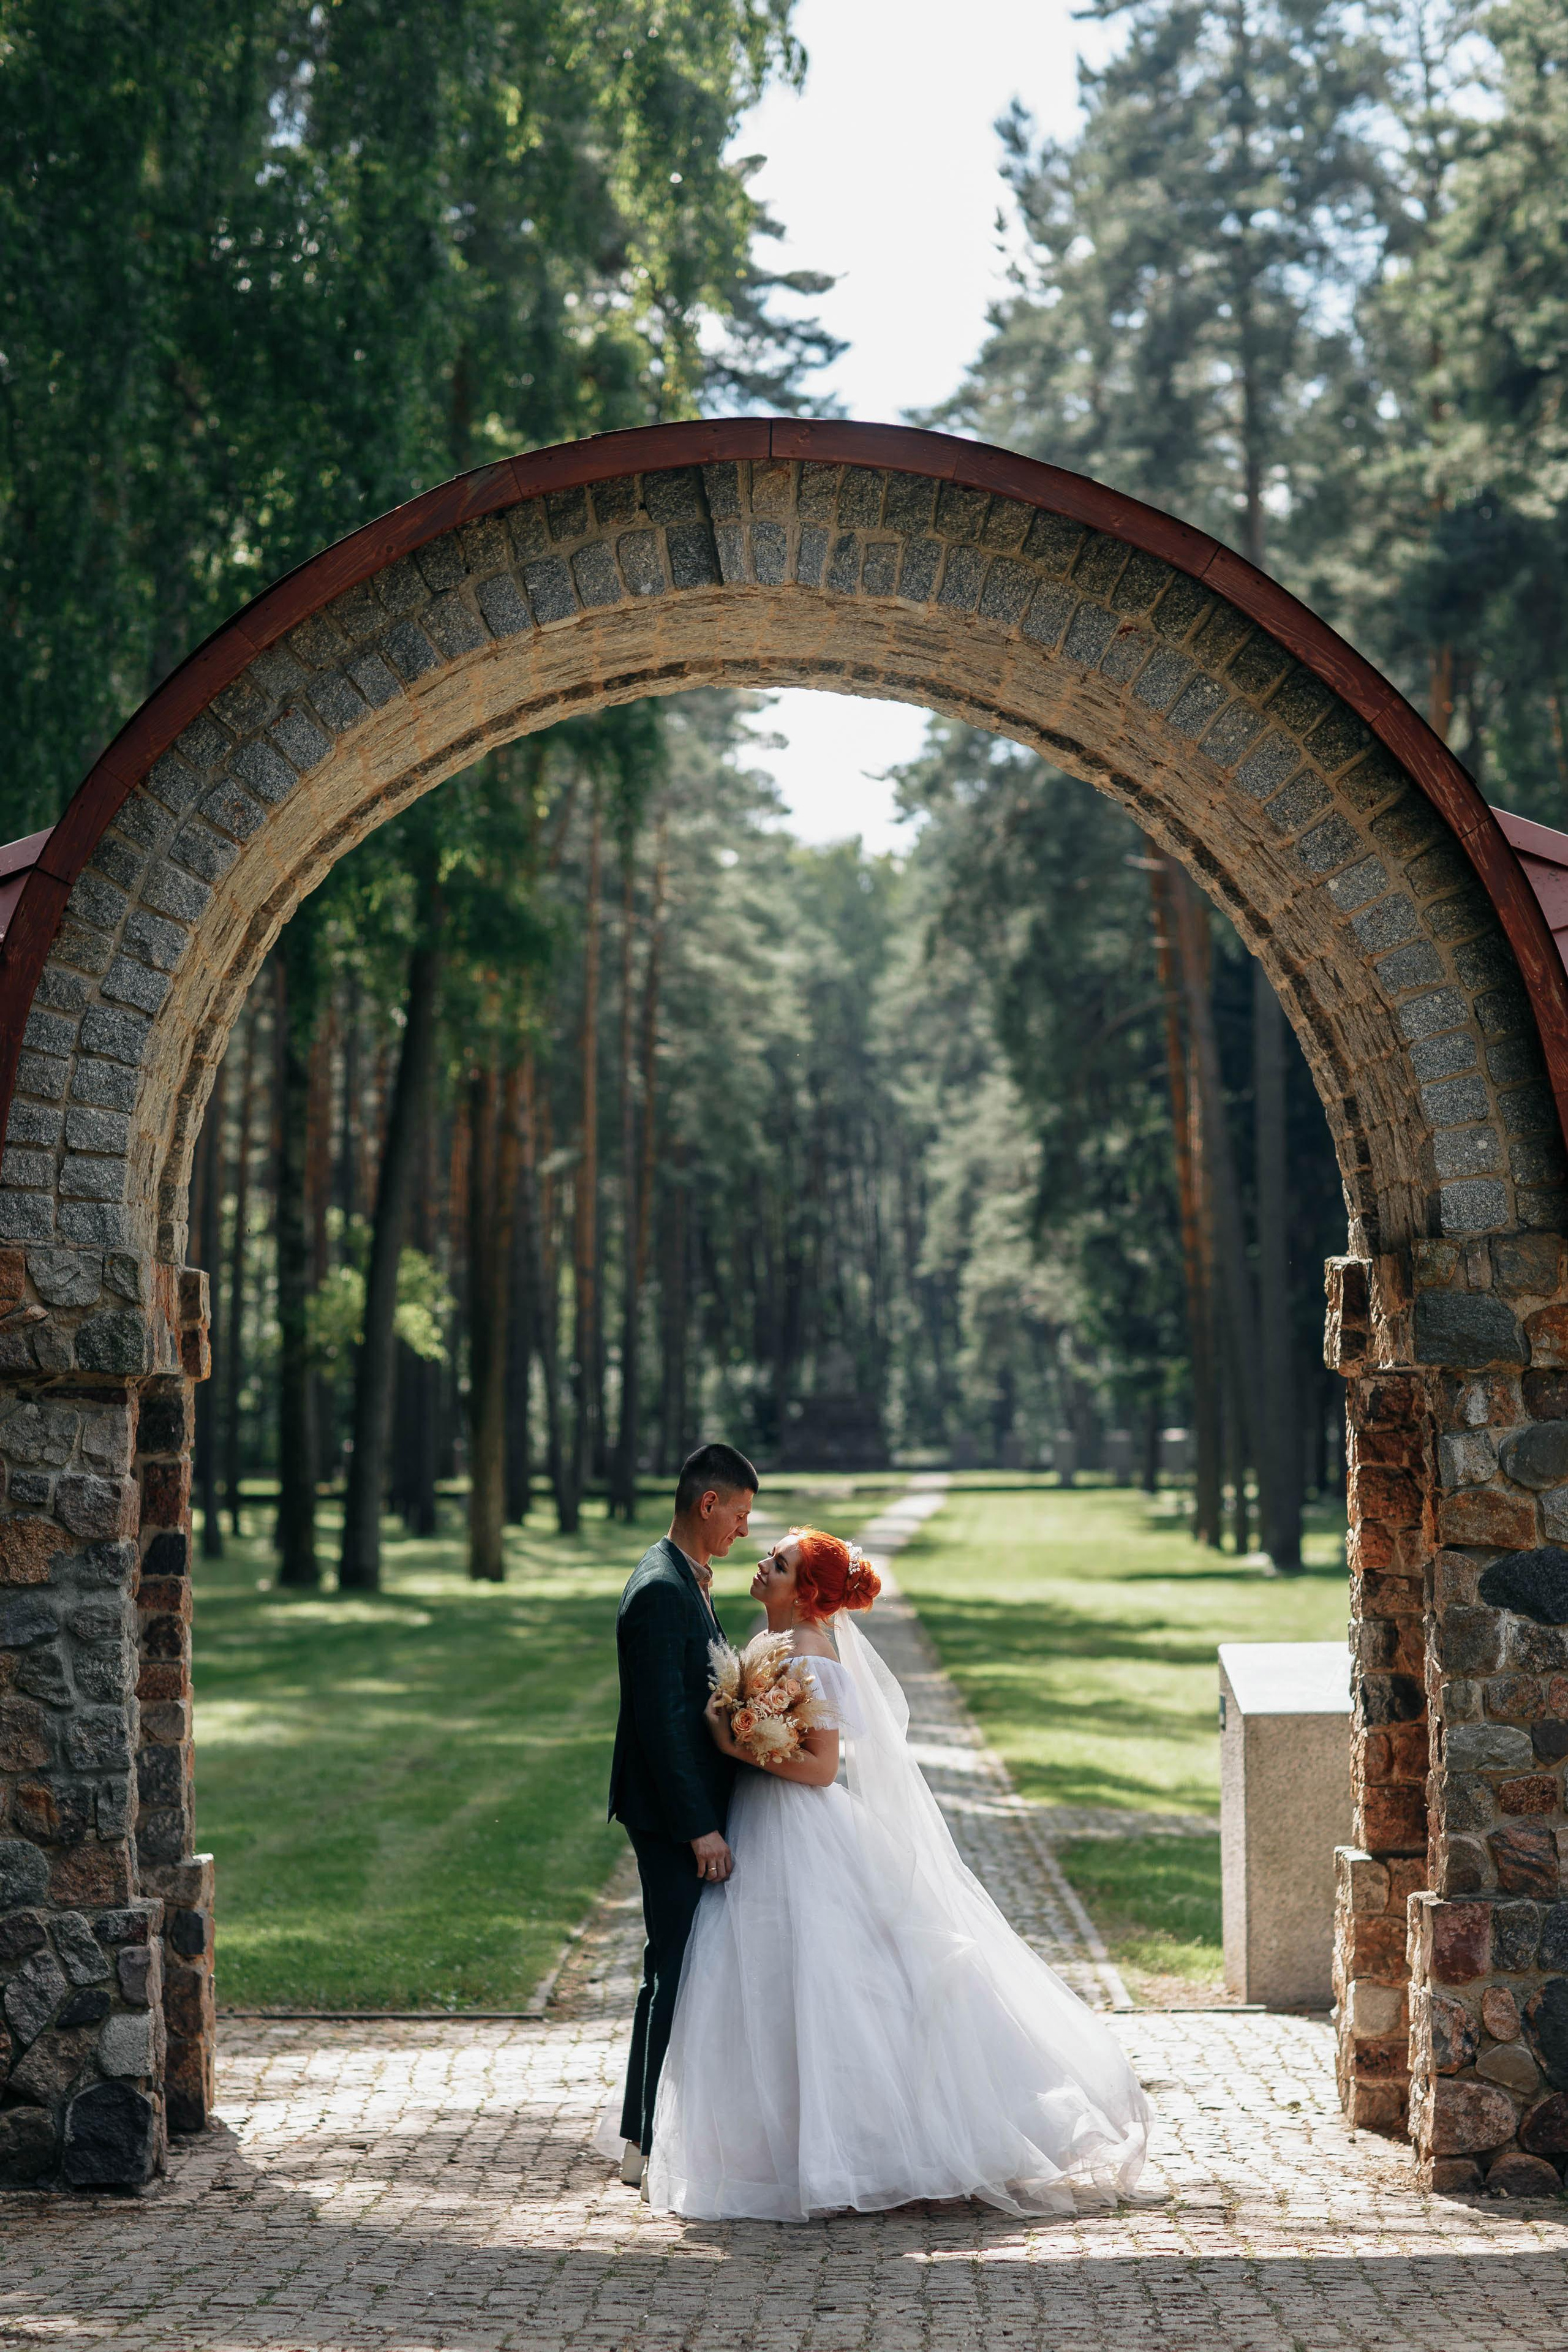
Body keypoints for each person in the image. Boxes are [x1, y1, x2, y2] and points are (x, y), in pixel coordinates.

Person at [641, 1526, 1153, 2222]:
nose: (763, 1564)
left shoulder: (812, 1654)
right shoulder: (777, 1641)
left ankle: (866, 2151)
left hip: (797, 1827)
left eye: (779, 1563)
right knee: (765, 1981)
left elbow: (821, 1769)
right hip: (760, 1820)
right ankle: (777, 2154)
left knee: (828, 1982)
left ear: (806, 1593)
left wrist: (731, 1743)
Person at [601, 1440, 758, 2190]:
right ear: (708, 1503)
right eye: (740, 1513)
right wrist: (699, 1826)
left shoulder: (683, 1577)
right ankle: (643, 2141)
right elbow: (663, 1724)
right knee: (673, 1969)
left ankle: (650, 2133)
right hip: (670, 1818)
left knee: (673, 1966)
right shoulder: (662, 1590)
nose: (745, 1529)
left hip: (679, 1808)